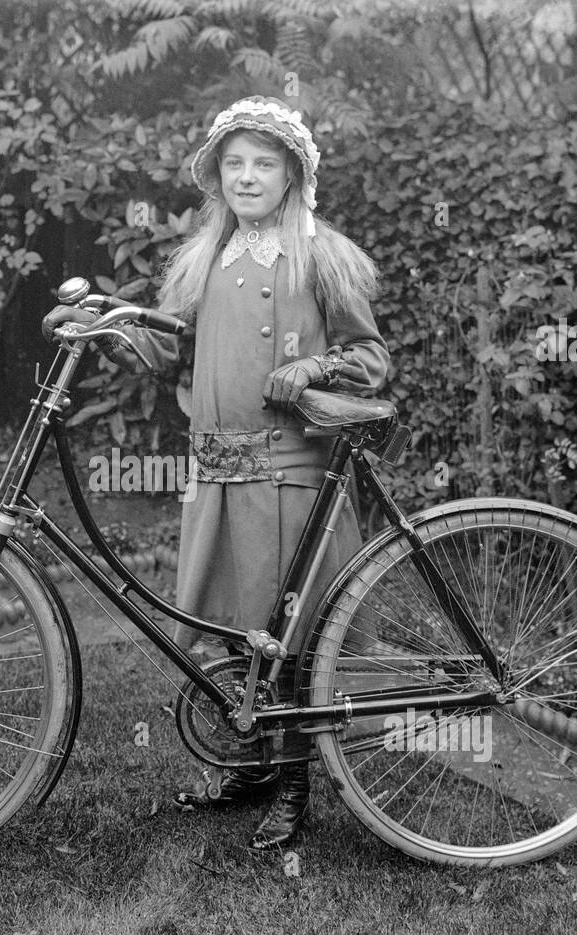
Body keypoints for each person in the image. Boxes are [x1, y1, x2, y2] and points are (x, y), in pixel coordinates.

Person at [43, 96, 390, 850]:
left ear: (293, 173)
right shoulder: (206, 258)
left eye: (264, 163)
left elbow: (372, 358)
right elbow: (180, 349)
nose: (247, 176)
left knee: (287, 636)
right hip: (218, 470)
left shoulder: (320, 255)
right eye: (234, 164)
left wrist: (314, 365)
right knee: (236, 630)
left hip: (288, 470)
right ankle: (256, 766)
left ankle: (296, 787)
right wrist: (115, 323)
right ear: (216, 176)